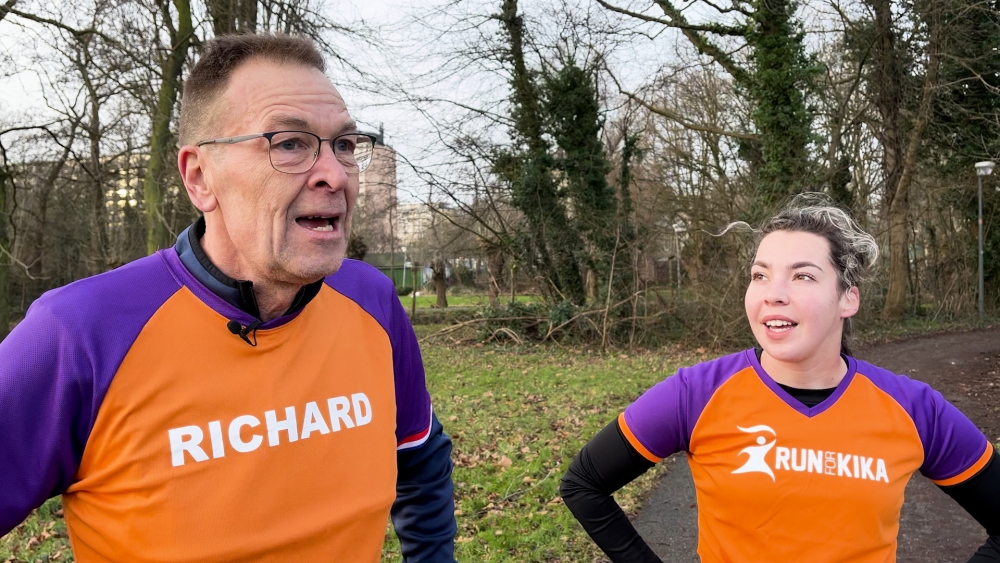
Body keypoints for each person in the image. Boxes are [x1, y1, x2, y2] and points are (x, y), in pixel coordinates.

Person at [0, 34, 456, 562]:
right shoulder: (82, 332)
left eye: (345, 145)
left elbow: (420, 455)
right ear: (200, 177)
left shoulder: (370, 299)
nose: (334, 174)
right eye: (290, 143)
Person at [561, 196, 1000, 563]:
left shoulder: (915, 408)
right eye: (760, 275)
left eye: (803, 275)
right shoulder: (695, 394)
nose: (773, 292)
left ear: (848, 297)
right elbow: (584, 484)